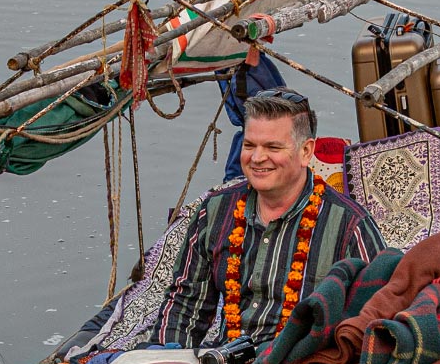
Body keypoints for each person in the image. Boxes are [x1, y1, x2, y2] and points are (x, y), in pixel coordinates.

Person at [152, 88, 385, 348]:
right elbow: (186, 305)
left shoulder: (350, 225)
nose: (257, 158)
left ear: (306, 152)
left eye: (273, 147)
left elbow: (379, 315)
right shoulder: (215, 211)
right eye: (249, 145)